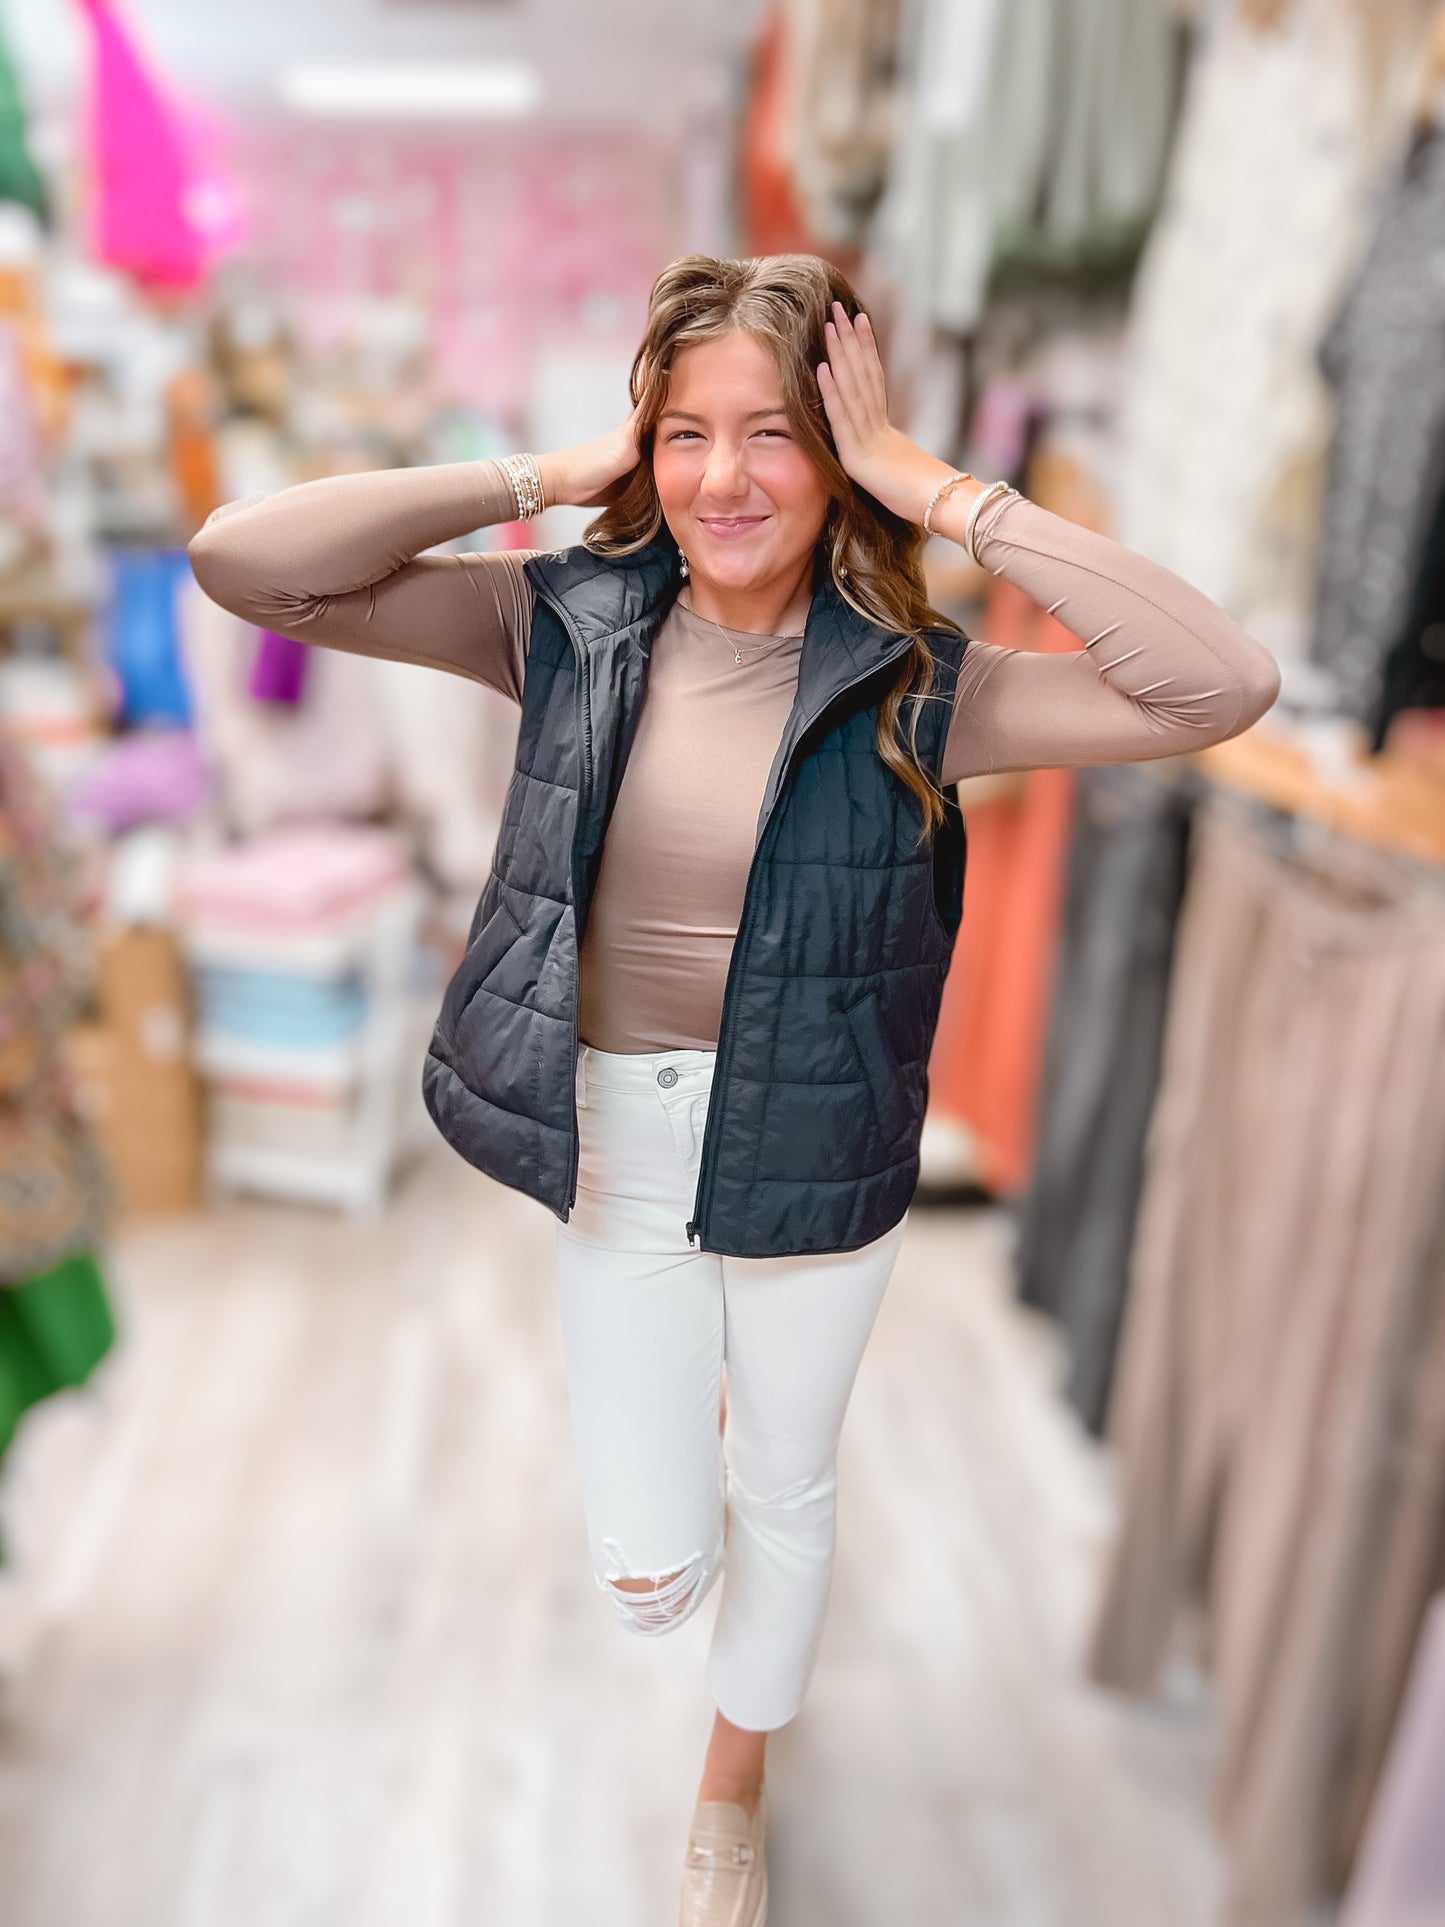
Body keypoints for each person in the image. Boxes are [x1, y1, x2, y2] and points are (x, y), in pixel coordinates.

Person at [188, 252, 1280, 1927]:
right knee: (651, 1578)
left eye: (772, 433)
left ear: (836, 454)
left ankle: (732, 1786)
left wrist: (944, 490)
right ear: (644, 440)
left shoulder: (927, 686)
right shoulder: (550, 618)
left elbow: (1214, 685)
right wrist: (546, 477)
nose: (722, 478)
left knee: (784, 1480)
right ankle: (689, 1508)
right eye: (684, 431)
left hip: (814, 1141)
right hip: (615, 1138)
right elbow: (244, 565)